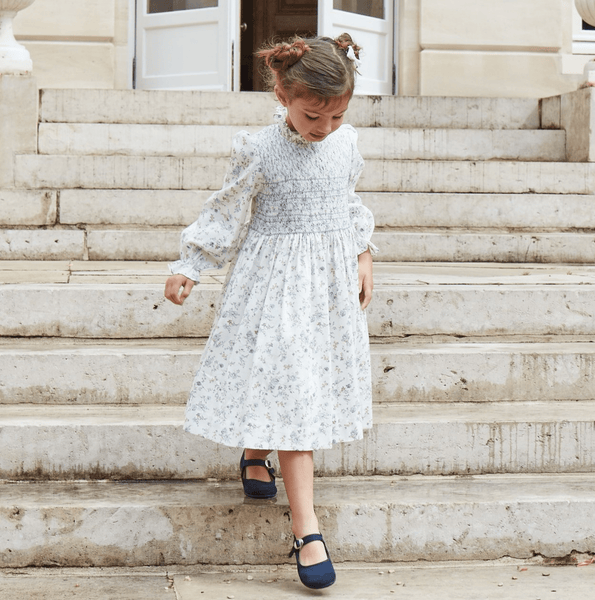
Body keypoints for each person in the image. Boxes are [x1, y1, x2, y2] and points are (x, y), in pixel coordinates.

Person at [164, 33, 377, 590]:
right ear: (281, 92)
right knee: (294, 394)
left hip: (327, 289)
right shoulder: (259, 147)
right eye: (313, 116)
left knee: (297, 385)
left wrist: (362, 252)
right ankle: (307, 531)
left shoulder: (345, 142)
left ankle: (256, 453)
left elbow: (348, 200)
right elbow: (228, 208)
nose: (324, 128)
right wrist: (192, 262)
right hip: (274, 285)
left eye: (335, 116)